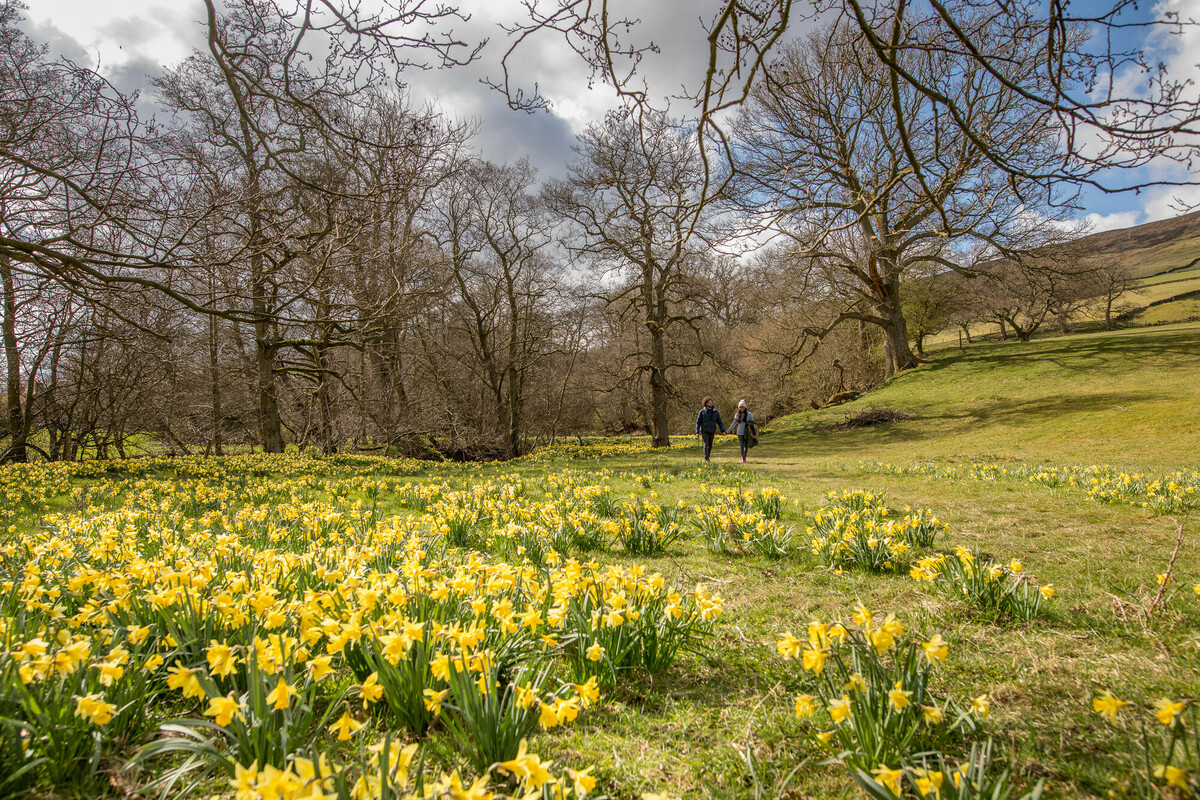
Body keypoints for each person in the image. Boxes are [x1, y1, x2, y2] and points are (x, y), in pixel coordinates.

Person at [694, 397, 725, 462]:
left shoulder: (715, 412)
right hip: (704, 430)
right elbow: (698, 422)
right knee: (706, 443)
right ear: (706, 403)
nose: (711, 403)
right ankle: (706, 458)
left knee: (710, 445)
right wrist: (697, 431)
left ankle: (708, 456)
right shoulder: (702, 412)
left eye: (711, 402)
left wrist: (723, 430)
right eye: (709, 402)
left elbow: (719, 422)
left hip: (712, 430)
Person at [726, 399, 756, 464]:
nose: (741, 408)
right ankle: (743, 459)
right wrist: (727, 432)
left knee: (746, 446)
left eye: (742, 407)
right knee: (742, 446)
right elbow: (733, 424)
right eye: (740, 407)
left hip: (747, 432)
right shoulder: (737, 415)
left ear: (745, 407)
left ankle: (745, 456)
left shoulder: (749, 414)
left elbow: (753, 423)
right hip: (740, 433)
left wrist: (754, 430)